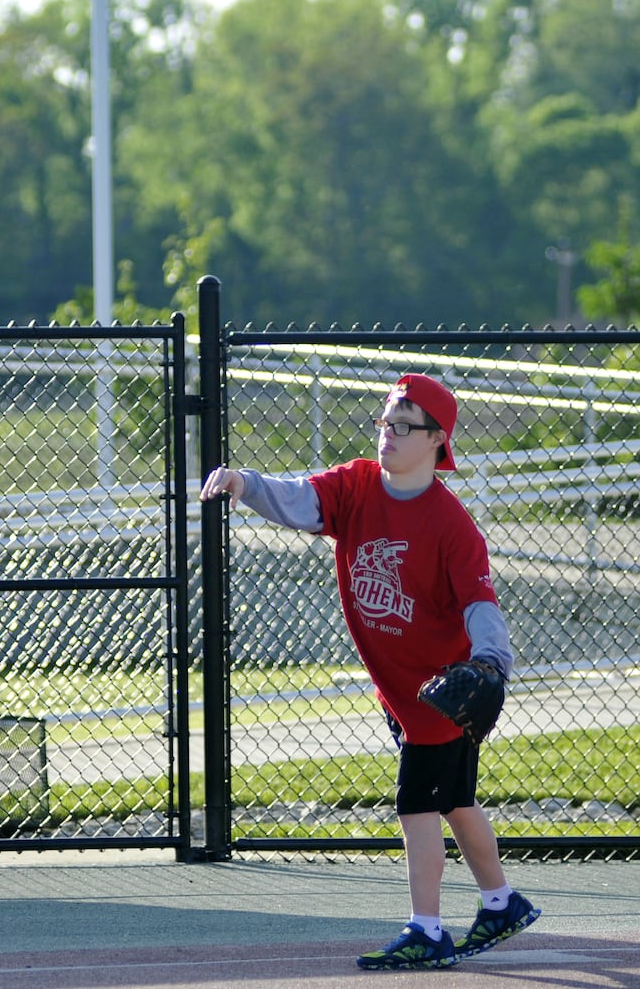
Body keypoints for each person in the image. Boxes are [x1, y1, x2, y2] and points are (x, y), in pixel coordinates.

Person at [200, 372, 541, 971]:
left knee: (416, 806)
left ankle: (427, 931)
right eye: (385, 422)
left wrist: (491, 665)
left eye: (405, 426)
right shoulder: (356, 486)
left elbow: (479, 603)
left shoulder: (451, 523)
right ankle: (501, 903)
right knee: (455, 800)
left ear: (438, 440)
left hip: (444, 692)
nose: (389, 434)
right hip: (399, 688)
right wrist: (242, 482)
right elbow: (301, 498)